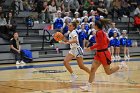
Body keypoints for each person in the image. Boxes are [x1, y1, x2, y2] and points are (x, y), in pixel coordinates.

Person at [80, 20, 128, 91]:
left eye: (94, 24)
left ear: (96, 25)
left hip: (104, 54)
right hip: (98, 54)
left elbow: (99, 43)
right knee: (93, 69)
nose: (93, 25)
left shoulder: (99, 32)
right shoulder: (101, 32)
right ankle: (88, 86)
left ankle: (121, 65)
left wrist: (90, 48)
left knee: (108, 72)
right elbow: (107, 41)